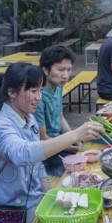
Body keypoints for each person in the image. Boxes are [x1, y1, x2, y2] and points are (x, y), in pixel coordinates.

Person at [0, 62, 105, 223]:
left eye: (40, 90)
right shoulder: (0, 126)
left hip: (33, 201)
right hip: (9, 211)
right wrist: (74, 135)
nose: (38, 97)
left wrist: (51, 195)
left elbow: (37, 164)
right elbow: (23, 154)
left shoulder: (29, 118)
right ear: (11, 92)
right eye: (33, 91)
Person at [35, 45, 79, 177]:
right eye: (60, 70)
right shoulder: (38, 96)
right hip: (47, 153)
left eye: (69, 70)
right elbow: (42, 139)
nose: (65, 76)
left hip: (60, 143)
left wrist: (75, 139)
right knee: (75, 176)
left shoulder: (57, 86)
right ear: (45, 69)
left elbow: (60, 118)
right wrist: (72, 147)